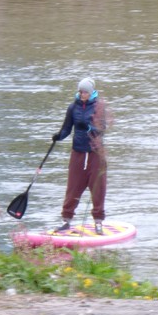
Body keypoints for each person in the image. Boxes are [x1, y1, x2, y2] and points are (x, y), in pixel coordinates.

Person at [52, 77, 108, 233]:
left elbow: (101, 129)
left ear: (90, 92)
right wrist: (59, 136)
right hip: (78, 153)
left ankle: (98, 222)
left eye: (84, 91)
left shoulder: (99, 108)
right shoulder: (72, 108)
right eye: (80, 91)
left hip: (95, 153)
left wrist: (89, 128)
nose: (82, 93)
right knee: (73, 188)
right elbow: (66, 128)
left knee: (98, 189)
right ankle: (66, 221)